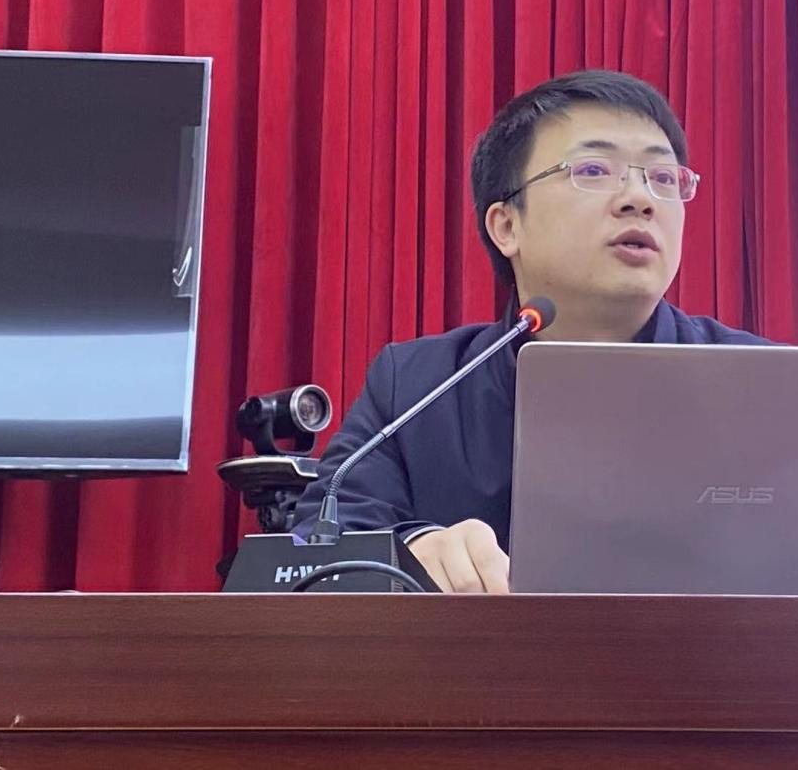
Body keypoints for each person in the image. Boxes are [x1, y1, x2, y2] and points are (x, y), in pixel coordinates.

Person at [291, 70, 768, 592]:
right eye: (593, 170)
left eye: (663, 177)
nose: (640, 198)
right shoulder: (418, 386)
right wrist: (409, 550)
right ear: (507, 226)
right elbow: (315, 550)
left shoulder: (763, 382)